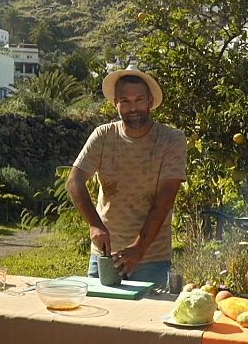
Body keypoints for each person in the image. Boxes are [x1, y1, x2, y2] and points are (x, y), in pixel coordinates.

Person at [66, 66, 187, 288]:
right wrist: (95, 225)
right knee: (98, 319)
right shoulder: (103, 136)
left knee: (144, 321)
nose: (133, 108)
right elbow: (74, 181)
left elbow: (165, 199)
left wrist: (139, 248)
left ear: (150, 101)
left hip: (152, 257)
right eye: (125, 101)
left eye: (139, 99)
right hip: (104, 257)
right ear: (115, 104)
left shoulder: (172, 139)